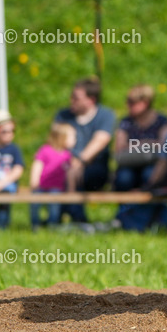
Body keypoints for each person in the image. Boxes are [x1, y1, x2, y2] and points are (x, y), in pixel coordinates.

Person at [54, 77, 116, 223]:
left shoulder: (105, 115)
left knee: (78, 175)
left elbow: (101, 140)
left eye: (76, 98)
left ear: (91, 100)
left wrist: (80, 162)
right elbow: (55, 143)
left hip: (95, 168)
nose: (71, 100)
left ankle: (78, 220)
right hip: (65, 165)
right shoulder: (63, 115)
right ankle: (57, 218)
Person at [113, 84, 167, 231]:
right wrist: (146, 144)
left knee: (150, 176)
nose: (127, 105)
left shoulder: (162, 121)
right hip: (129, 165)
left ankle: (149, 218)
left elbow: (166, 146)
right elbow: (119, 148)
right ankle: (126, 217)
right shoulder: (126, 122)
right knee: (123, 178)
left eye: (131, 102)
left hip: (153, 164)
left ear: (144, 103)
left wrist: (138, 145)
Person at [29, 122, 76, 230]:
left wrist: (71, 188)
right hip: (40, 186)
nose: (75, 139)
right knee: (35, 204)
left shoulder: (67, 155)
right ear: (62, 138)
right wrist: (34, 181)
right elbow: (37, 165)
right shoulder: (45, 150)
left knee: (54, 205)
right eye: (72, 137)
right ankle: (35, 225)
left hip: (56, 188)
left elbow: (70, 173)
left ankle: (52, 224)